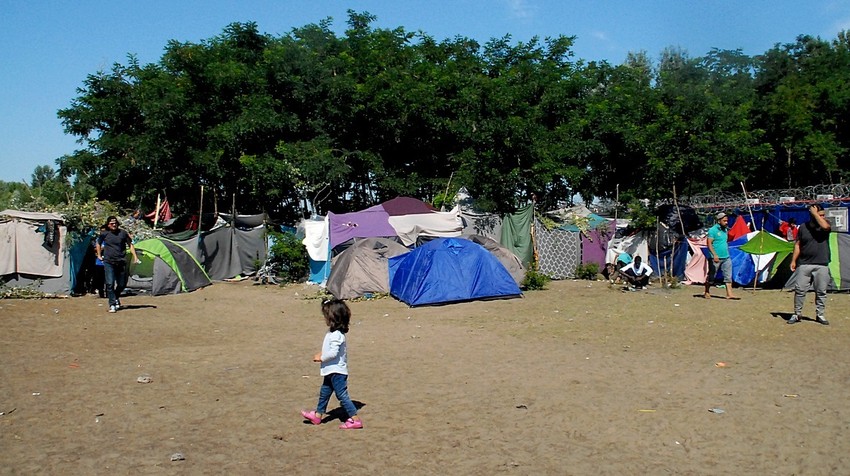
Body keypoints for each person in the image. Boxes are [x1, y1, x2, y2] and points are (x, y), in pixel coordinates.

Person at [301, 299, 363, 429]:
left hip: (337, 372)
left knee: (342, 396)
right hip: (330, 370)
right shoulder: (333, 333)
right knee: (324, 393)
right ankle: (318, 415)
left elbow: (333, 353)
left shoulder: (336, 335)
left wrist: (321, 358)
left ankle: (355, 419)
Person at [788, 204, 831, 325]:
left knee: (821, 291)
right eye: (820, 214)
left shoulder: (825, 225)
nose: (822, 217)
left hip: (821, 263)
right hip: (805, 263)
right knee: (800, 290)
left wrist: (816, 213)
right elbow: (797, 244)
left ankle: (820, 314)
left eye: (822, 215)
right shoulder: (803, 227)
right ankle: (797, 314)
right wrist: (793, 260)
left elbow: (825, 226)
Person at [96, 216, 140, 313]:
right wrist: (99, 255)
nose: (114, 225)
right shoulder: (104, 234)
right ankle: (112, 304)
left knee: (122, 284)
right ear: (108, 225)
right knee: (110, 283)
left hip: (121, 261)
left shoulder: (123, 233)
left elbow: (130, 244)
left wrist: (135, 257)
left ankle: (115, 297)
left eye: (115, 223)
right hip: (108, 262)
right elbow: (98, 243)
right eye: (111, 223)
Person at [704, 212, 737, 299]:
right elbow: (709, 244)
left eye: (727, 221)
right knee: (712, 276)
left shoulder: (725, 230)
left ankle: (729, 294)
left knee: (728, 275)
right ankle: (707, 291)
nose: (726, 222)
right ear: (719, 221)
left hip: (726, 256)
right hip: (715, 257)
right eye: (724, 221)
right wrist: (714, 255)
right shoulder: (713, 230)